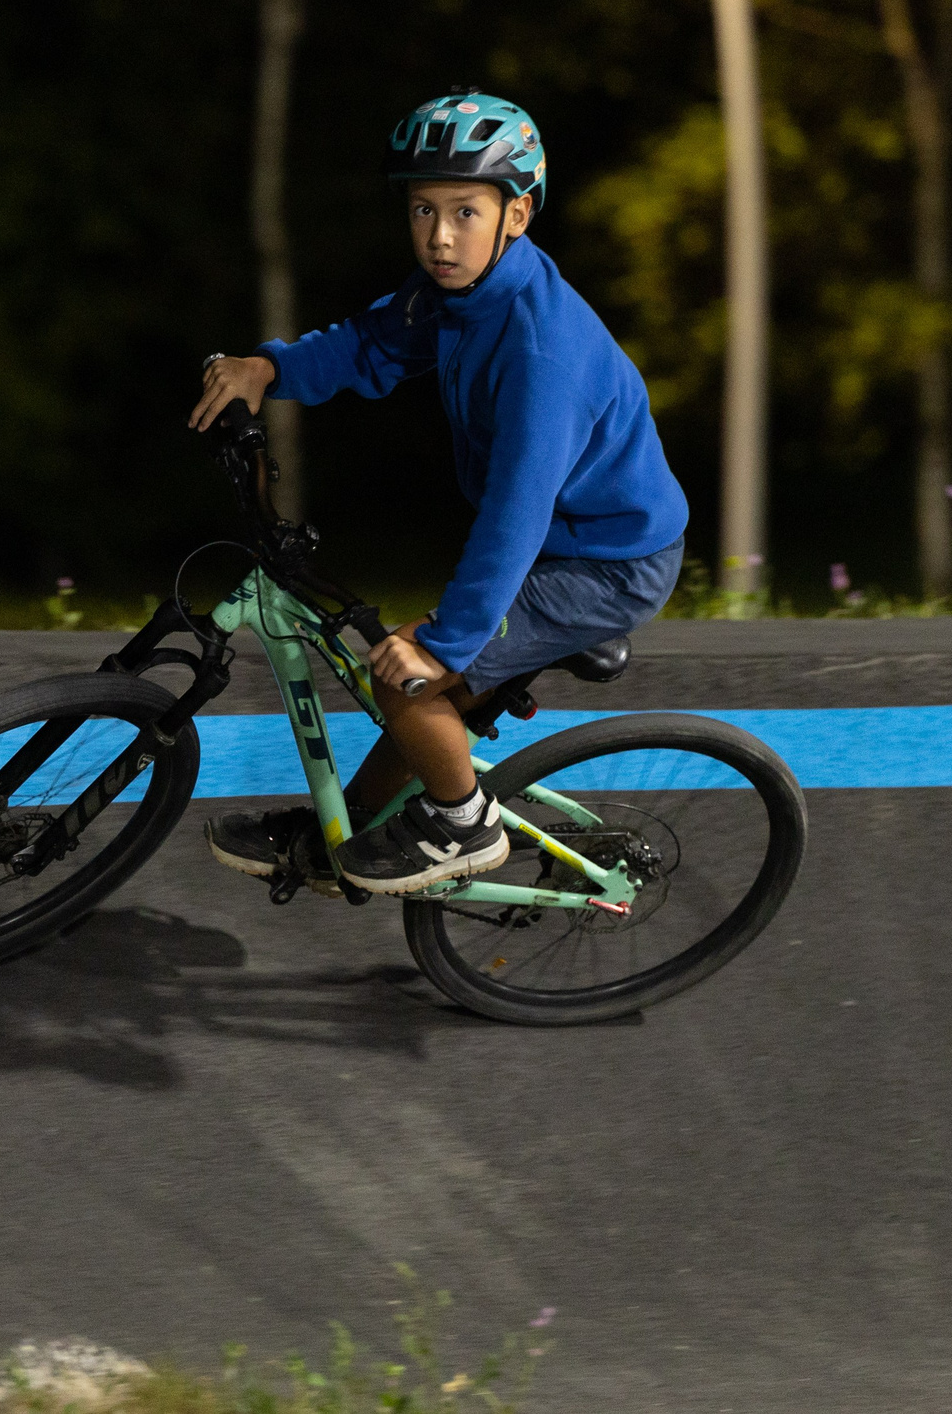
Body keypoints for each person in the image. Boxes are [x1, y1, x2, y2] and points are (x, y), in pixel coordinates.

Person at [187, 88, 689, 896]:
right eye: (423, 211)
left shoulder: (540, 352)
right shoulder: (458, 296)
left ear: (516, 216)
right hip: (560, 540)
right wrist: (269, 367)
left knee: (407, 675)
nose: (440, 236)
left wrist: (446, 642)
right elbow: (372, 342)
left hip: (606, 561)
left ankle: (464, 825)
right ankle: (346, 829)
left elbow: (514, 515)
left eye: (464, 212)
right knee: (423, 686)